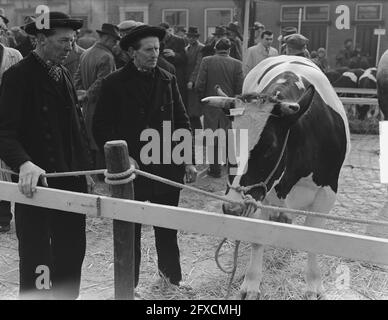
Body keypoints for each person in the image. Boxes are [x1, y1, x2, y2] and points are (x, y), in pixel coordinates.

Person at [93, 25, 197, 289]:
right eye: (148, 50)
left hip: (165, 166)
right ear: (131, 52)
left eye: (157, 49)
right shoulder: (113, 83)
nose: (155, 54)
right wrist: (123, 157)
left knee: (167, 228)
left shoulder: (167, 78)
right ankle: (130, 285)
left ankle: (171, 281)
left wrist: (186, 158)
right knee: (131, 231)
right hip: (132, 172)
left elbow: (182, 121)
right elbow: (101, 128)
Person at [0, 11, 92, 299]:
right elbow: (4, 133)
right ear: (40, 39)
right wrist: (23, 163)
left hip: (70, 182)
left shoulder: (62, 72)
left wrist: (84, 171)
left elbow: (75, 130)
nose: (71, 47)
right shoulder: (17, 76)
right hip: (36, 188)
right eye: (64, 40)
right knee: (38, 256)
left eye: (73, 40)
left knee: (71, 250)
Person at [196, 38, 244, 178]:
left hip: (211, 104)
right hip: (229, 106)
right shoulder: (237, 64)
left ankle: (215, 169)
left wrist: (203, 99)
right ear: (229, 50)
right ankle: (232, 169)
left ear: (215, 48)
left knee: (212, 137)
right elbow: (240, 88)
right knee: (230, 136)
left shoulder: (207, 61)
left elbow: (200, 84)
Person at [74, 23, 119, 170]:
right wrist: (87, 94)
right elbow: (103, 82)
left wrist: (81, 94)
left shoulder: (86, 53)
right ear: (106, 38)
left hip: (88, 106)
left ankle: (93, 167)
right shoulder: (107, 56)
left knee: (89, 136)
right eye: (114, 41)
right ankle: (102, 170)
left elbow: (77, 77)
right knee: (102, 137)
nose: (115, 44)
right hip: (102, 104)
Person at [0, 29, 23, 233]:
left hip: (8, 119)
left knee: (10, 167)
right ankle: (3, 216)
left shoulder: (13, 56)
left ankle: (10, 215)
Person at [159, 22, 187, 105]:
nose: (164, 35)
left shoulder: (179, 40)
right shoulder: (157, 40)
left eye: (165, 32)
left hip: (176, 73)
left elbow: (184, 58)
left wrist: (174, 54)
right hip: (162, 72)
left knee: (177, 96)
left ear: (169, 30)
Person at [185, 26, 204, 130]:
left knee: (194, 109)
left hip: (194, 82)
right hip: (185, 80)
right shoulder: (187, 48)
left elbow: (198, 65)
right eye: (189, 36)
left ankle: (197, 131)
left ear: (197, 37)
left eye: (193, 37)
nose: (191, 39)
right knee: (188, 107)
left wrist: (192, 80)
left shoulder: (200, 48)